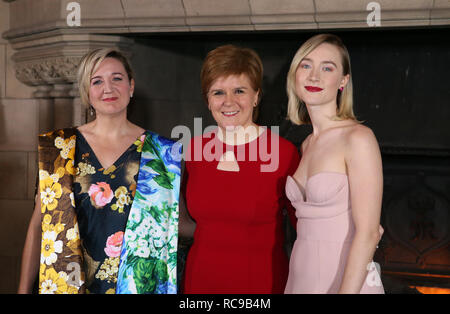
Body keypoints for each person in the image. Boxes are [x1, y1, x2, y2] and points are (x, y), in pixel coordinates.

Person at [18, 48, 181, 294]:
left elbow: (177, 220)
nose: (108, 88)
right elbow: (38, 225)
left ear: (131, 86)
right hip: (68, 285)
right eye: (97, 81)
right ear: (87, 92)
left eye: (117, 78)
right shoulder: (60, 148)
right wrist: (22, 289)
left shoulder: (163, 152)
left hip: (137, 287)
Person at [179, 45, 300, 293]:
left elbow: (305, 230)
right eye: (218, 92)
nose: (228, 102)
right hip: (201, 282)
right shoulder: (192, 150)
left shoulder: (283, 153)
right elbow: (182, 222)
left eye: (239, 91)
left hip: (261, 284)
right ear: (207, 100)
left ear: (256, 96)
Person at [284, 34, 385, 294]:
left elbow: (370, 232)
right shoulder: (306, 144)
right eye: (306, 65)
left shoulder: (358, 138)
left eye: (327, 68)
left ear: (343, 81)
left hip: (346, 282)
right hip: (300, 278)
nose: (314, 76)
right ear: (295, 74)